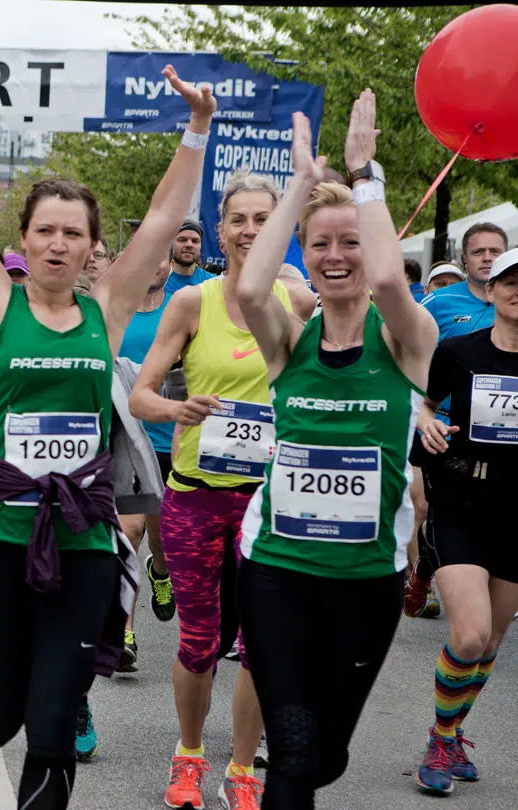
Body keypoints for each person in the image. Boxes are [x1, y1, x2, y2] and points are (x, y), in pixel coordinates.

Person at [0, 9, 212, 809]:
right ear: (24, 240)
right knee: (2, 698)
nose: (58, 244)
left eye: (74, 233)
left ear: (93, 247)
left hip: (83, 530)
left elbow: (161, 219)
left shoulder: (107, 308)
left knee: (54, 715)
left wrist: (195, 129)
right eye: (45, 231)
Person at [235, 93, 436, 808]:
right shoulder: (290, 342)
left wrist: (363, 175)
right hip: (277, 571)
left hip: (365, 580)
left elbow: (387, 279)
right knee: (289, 751)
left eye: (349, 239)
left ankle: (319, 762)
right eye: (320, 243)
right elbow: (252, 286)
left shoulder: (407, 340)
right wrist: (297, 187)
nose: (335, 255)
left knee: (324, 757)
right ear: (306, 257)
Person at [131, 163, 317, 810]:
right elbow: (140, 394)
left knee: (264, 642)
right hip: (196, 497)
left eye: (263, 219)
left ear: (283, 228)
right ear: (219, 229)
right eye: (237, 219)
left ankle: (242, 767)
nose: (248, 230)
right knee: (199, 641)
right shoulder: (193, 302)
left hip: (269, 503)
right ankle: (188, 755)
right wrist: (174, 409)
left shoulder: (298, 303)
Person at [412, 244, 518, 795]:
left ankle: (451, 733)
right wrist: (427, 425)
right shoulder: (458, 351)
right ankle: (438, 737)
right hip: (461, 497)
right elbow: (425, 405)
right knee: (470, 634)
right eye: (510, 281)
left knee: (494, 638)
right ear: (492, 290)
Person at [406, 225, 508, 625]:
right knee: (429, 507)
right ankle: (425, 575)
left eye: (494, 250)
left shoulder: (512, 300)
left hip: (500, 438)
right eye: (478, 251)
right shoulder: (439, 302)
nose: (486, 257)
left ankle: (478, 580)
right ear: (464, 260)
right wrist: (420, 414)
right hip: (442, 429)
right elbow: (411, 353)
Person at [117, 259, 180, 632]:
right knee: (130, 532)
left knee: (161, 542)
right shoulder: (116, 312)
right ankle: (124, 632)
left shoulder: (181, 310)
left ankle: (160, 571)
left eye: (161, 256)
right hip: (128, 438)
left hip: (169, 441)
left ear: (170, 266)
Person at [166, 221, 216, 294]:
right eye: (182, 240)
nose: (189, 245)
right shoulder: (158, 282)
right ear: (171, 244)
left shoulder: (211, 282)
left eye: (195, 241)